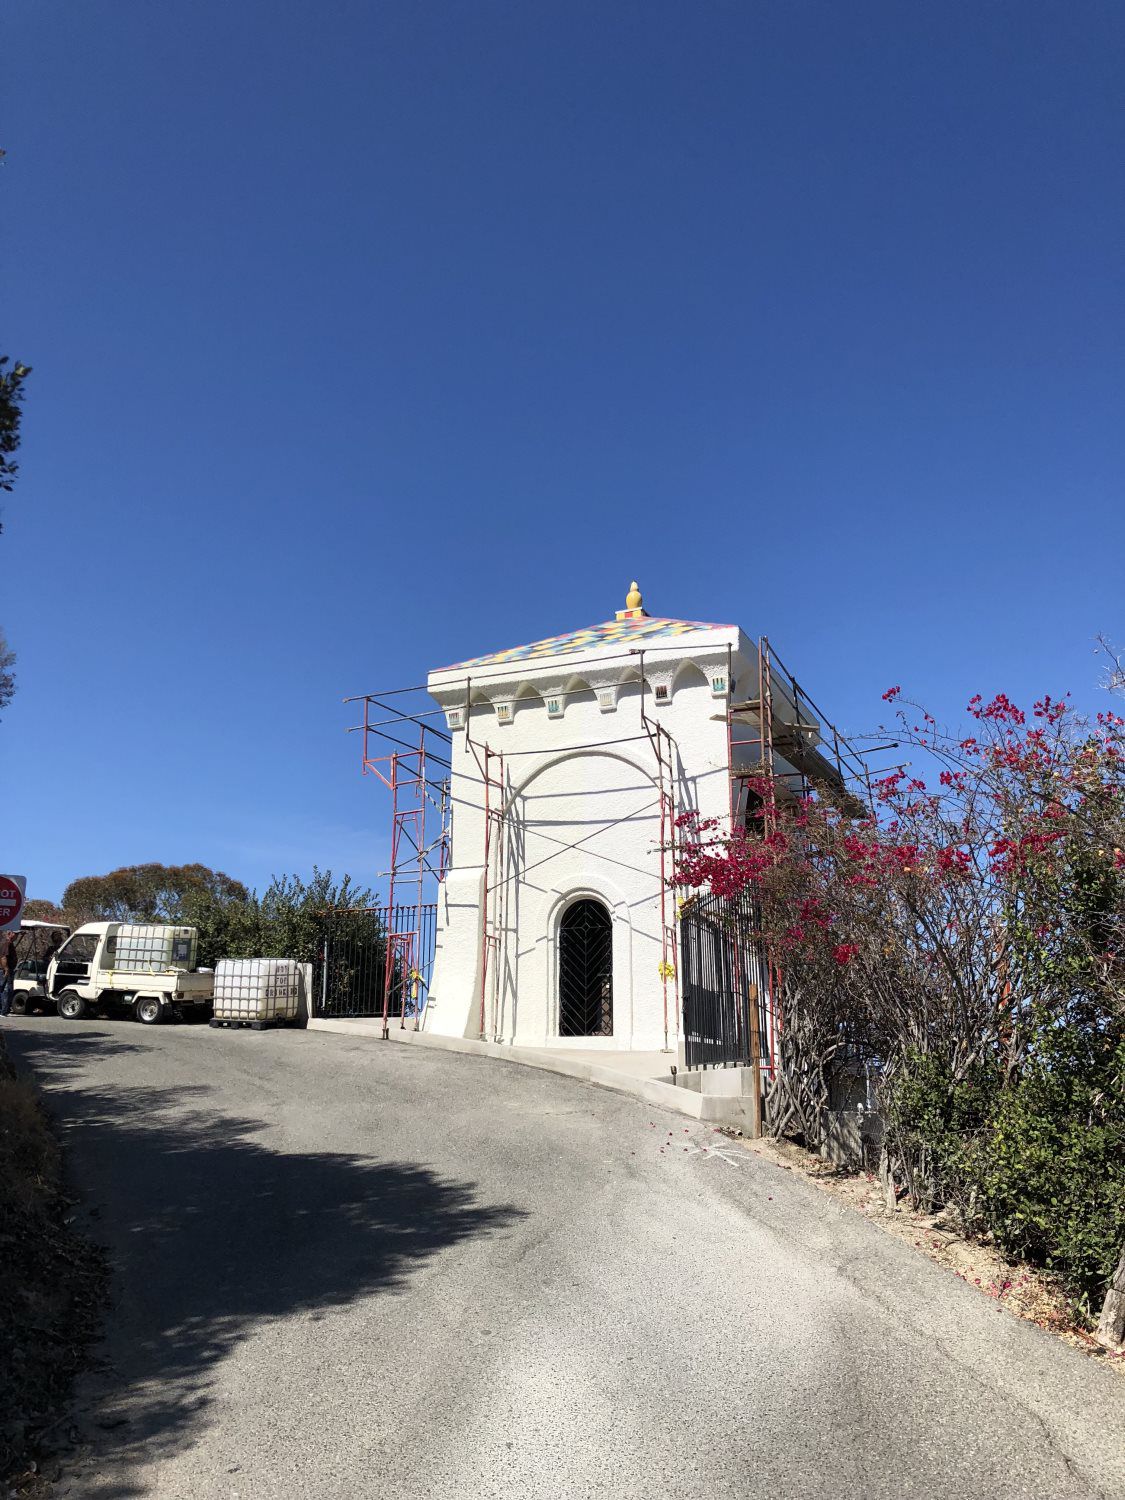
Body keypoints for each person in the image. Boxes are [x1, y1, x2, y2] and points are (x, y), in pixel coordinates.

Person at [0, 933, 17, 1017]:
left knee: (8, 989)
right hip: (6, 970)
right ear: (9, 933)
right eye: (15, 934)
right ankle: (3, 1011)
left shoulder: (10, 943)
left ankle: (5, 1010)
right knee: (6, 989)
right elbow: (3, 957)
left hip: (10, 969)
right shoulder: (7, 943)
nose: (16, 936)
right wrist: (6, 968)